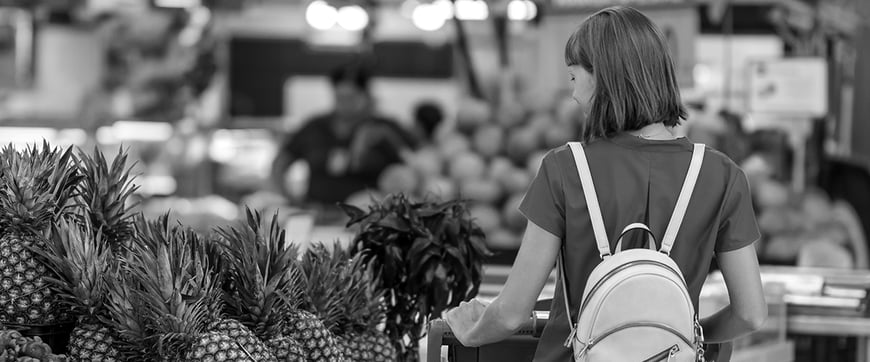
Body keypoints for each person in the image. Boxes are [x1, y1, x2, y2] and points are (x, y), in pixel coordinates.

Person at [443, 6, 767, 361]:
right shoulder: (721, 174)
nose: (574, 95)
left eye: (573, 78)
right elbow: (751, 314)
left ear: (601, 78)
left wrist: (469, 331)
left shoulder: (565, 168)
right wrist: (678, 335)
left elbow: (511, 313)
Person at [270, 65, 415, 208]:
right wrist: (289, 199)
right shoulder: (315, 127)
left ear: (366, 96)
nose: (345, 104)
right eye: (340, 98)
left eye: (351, 98)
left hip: (368, 215)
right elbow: (281, 163)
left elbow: (414, 164)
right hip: (318, 212)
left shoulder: (384, 128)